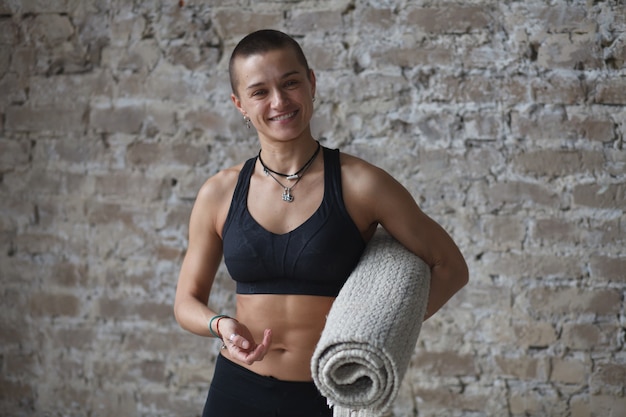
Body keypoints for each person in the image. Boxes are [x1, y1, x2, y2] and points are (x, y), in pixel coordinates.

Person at [173, 29, 469, 417]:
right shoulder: (219, 192)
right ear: (239, 104)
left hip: (328, 397)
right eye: (260, 92)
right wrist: (220, 324)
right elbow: (186, 302)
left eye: (290, 83)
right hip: (236, 392)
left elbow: (451, 267)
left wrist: (383, 334)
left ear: (311, 83)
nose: (279, 101)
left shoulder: (362, 184)